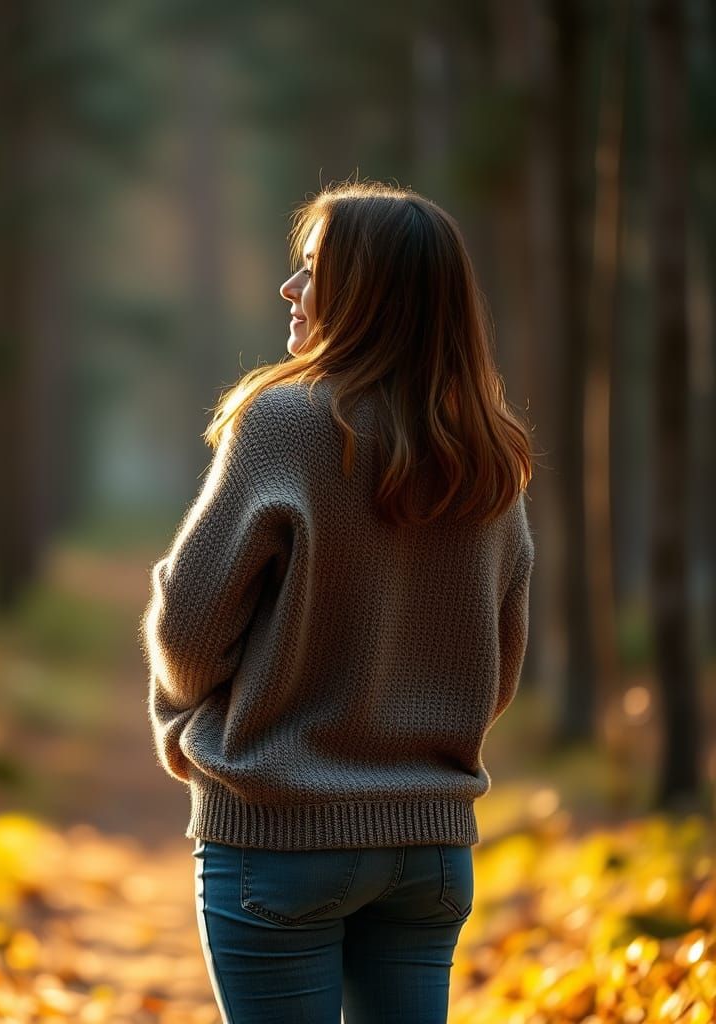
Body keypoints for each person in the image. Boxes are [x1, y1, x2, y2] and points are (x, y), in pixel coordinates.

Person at [137, 180, 537, 1024]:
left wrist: (186, 726)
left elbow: (188, 623)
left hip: (280, 838)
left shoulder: (283, 424)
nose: (290, 289)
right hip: (429, 851)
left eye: (312, 270)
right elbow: (497, 666)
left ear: (369, 293)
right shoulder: (488, 453)